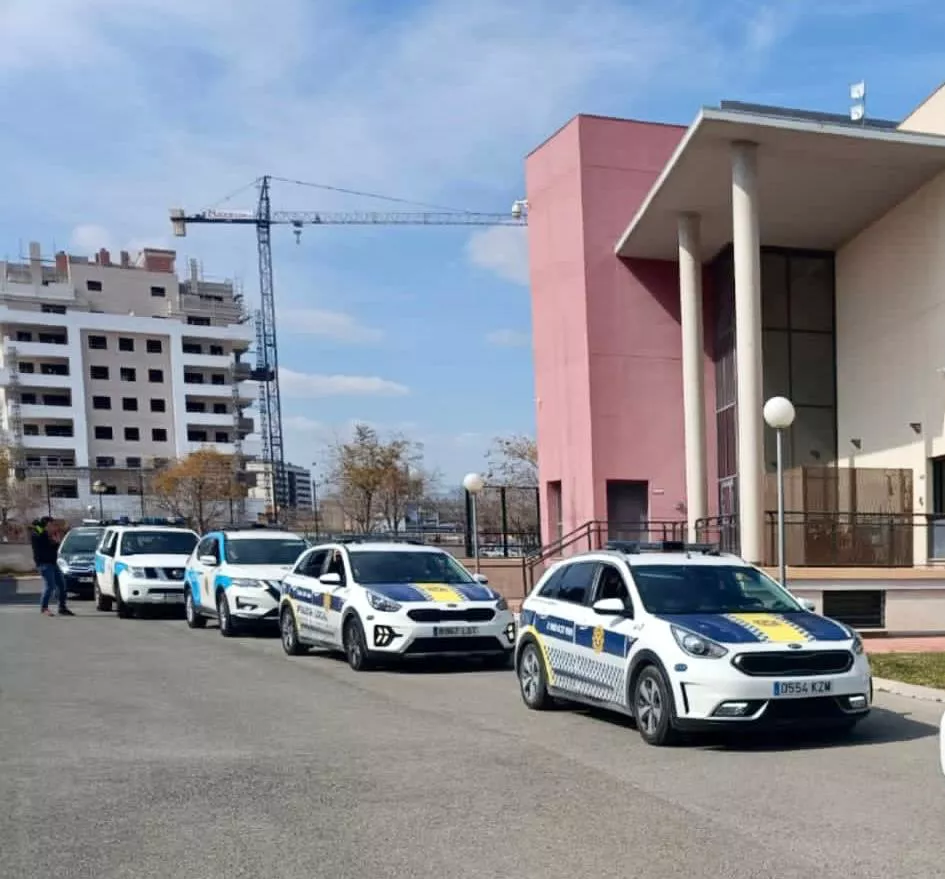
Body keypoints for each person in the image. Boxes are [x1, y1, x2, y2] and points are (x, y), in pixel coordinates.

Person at [31, 517, 73, 617]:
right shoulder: (37, 535)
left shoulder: (48, 535)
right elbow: (43, 545)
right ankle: (44, 608)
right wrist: (52, 539)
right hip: (44, 564)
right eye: (50, 525)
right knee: (50, 586)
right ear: (45, 526)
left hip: (53, 563)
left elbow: (53, 548)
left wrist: (57, 542)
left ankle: (62, 607)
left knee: (61, 585)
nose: (52, 527)